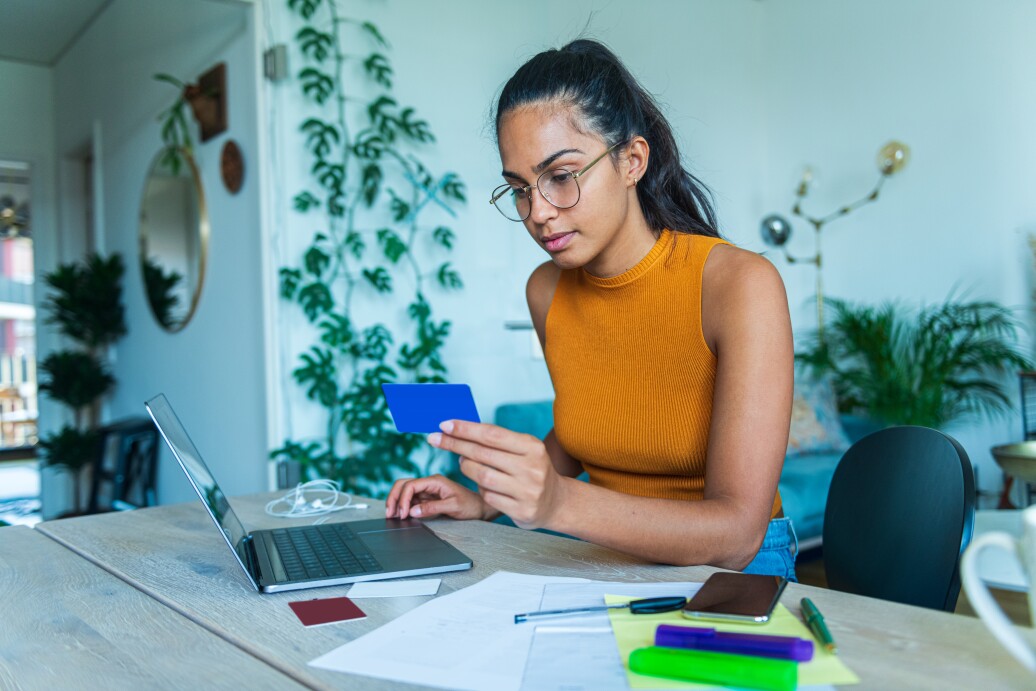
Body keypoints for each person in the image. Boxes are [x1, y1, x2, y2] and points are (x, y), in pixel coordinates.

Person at [385, 39, 796, 578]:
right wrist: (486, 498)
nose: (538, 213)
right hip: (604, 561)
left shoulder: (740, 285)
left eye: (561, 176)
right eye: (520, 190)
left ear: (632, 160)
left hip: (733, 574)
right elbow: (585, 428)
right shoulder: (546, 291)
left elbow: (736, 535)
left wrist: (557, 503)